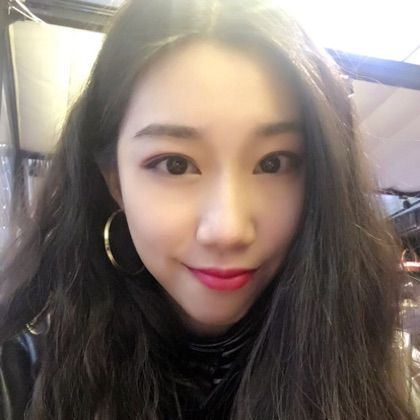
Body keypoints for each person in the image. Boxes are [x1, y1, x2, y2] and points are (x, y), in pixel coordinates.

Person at [0, 0, 418, 419]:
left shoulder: (368, 351)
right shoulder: (21, 370)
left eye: (273, 163)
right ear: (116, 182)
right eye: (175, 164)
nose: (228, 229)